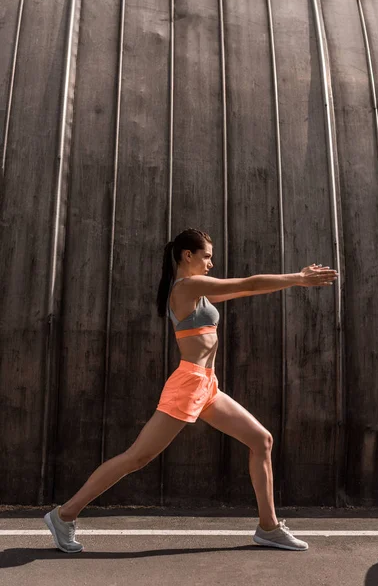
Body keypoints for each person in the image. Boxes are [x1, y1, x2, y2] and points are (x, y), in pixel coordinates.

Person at [44, 227, 339, 553]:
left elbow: (245, 291)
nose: (211, 263)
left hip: (206, 386)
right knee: (137, 457)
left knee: (261, 440)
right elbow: (249, 283)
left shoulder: (198, 292)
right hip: (188, 384)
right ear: (188, 255)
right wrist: (298, 277)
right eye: (207, 256)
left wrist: (289, 281)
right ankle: (64, 514)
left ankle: (268, 527)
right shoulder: (187, 286)